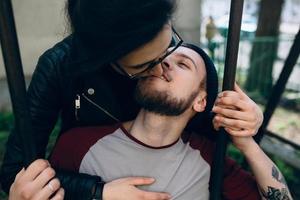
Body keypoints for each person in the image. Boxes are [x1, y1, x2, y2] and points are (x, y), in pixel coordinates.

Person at [1, 0, 263, 199]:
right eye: (148, 65)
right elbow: (18, 171)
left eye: (169, 46)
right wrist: (98, 191)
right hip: (90, 168)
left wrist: (245, 119)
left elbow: (198, 122)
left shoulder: (157, 33)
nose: (163, 68)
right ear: (108, 58)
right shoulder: (61, 67)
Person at [48, 44, 292, 199]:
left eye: (183, 64)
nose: (163, 63)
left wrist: (246, 143)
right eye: (161, 57)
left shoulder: (208, 157)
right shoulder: (77, 144)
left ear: (200, 101)